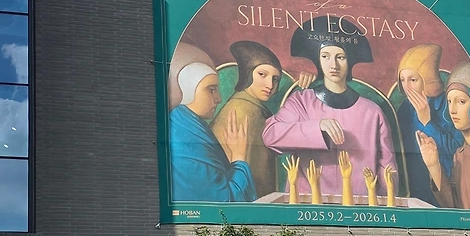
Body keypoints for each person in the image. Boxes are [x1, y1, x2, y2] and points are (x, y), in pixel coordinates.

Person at [262, 20, 397, 202]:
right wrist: (317, 128)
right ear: (318, 60)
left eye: (340, 57)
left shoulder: (372, 112)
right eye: (325, 56)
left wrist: (379, 203)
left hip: (360, 206)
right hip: (308, 205)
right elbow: (270, 135)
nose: (333, 65)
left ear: (349, 61)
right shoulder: (301, 101)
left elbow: (387, 168)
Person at [167, 42, 256, 204]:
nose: (219, 98)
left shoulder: (187, 124)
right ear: (186, 90)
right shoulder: (185, 143)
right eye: (211, 89)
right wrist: (239, 157)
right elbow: (226, 202)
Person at [414, 59, 470, 211]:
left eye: (461, 101)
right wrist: (434, 166)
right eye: (449, 101)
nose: (452, 110)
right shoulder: (460, 155)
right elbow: (454, 207)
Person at [212, 40, 283, 199]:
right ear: (247, 73)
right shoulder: (242, 111)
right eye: (262, 74)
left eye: (275, 79)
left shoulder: (253, 108)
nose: (270, 85)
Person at [395, 44, 463, 206]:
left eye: (413, 80)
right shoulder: (404, 109)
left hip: (446, 188)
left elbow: (457, 150)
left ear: (427, 79)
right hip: (416, 188)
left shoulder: (449, 104)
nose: (407, 87)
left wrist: (427, 122)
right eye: (403, 80)